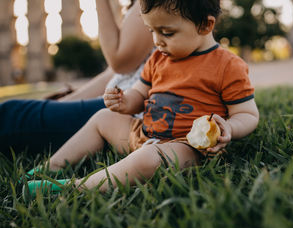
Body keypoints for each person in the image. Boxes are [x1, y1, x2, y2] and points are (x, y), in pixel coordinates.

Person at [24, 0, 259, 197]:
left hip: (187, 148)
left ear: (205, 25)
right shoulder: (158, 58)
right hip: (143, 134)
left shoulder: (227, 65)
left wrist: (229, 126)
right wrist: (124, 102)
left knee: (147, 159)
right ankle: (50, 167)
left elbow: (247, 114)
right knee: (103, 118)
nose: (157, 41)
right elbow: (139, 94)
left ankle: (74, 187)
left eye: (167, 32)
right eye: (152, 31)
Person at [0, 0, 154, 158]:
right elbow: (113, 75)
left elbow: (118, 61)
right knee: (16, 113)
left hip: (128, 108)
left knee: (11, 115)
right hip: (117, 100)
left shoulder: (155, 4)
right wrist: (64, 103)